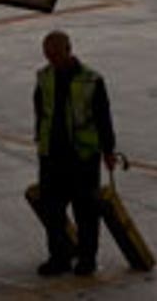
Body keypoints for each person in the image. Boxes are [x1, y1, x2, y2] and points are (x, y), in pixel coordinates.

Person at [32, 30, 117, 277]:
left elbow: (103, 118)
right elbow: (40, 110)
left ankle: (87, 258)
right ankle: (59, 257)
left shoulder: (91, 80)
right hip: (52, 156)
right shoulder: (44, 77)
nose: (52, 61)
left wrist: (108, 150)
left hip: (82, 156)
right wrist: (40, 140)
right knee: (52, 211)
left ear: (69, 51)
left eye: (56, 55)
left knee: (86, 212)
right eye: (48, 55)